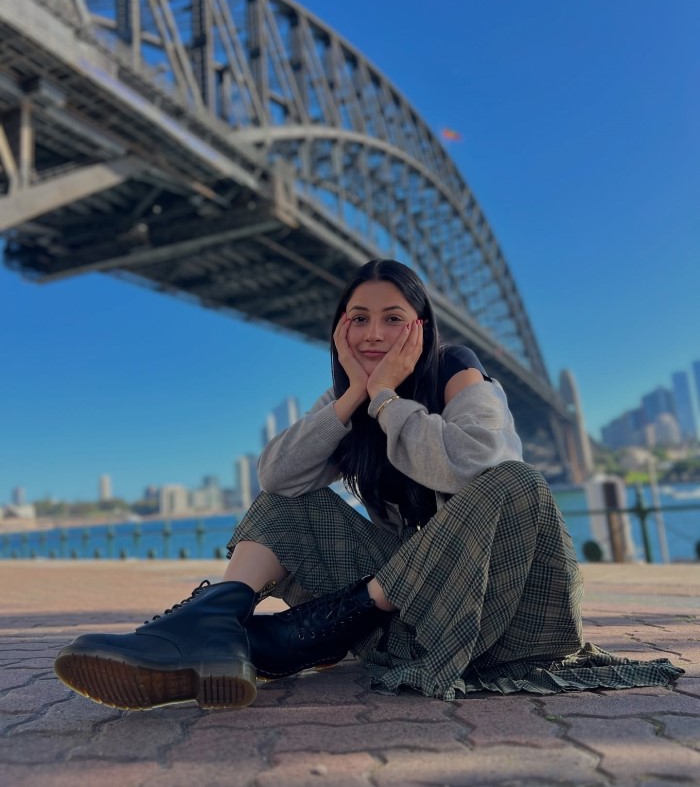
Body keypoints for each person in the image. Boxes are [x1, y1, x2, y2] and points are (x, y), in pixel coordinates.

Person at [53, 259, 683, 709]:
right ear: (340, 331)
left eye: (393, 318)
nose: (374, 333)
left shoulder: (460, 374)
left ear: (422, 327)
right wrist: (356, 395)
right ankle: (216, 626)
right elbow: (277, 477)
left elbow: (476, 467)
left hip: (509, 612)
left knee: (513, 481)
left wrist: (387, 400)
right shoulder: (353, 402)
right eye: (358, 319)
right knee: (288, 497)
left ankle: (308, 633)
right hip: (422, 611)